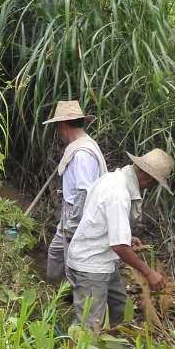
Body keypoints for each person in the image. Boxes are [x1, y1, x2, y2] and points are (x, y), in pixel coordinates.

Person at [65, 148, 175, 333]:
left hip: (101, 260)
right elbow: (119, 246)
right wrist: (149, 274)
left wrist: (126, 236)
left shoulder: (112, 178)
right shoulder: (118, 193)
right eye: (155, 183)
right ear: (148, 177)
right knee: (89, 327)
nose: (152, 187)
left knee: (121, 310)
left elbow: (98, 219)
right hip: (91, 266)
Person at [41, 100, 107, 281]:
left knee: (73, 261)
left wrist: (73, 225)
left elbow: (84, 193)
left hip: (78, 212)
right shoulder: (82, 146)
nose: (57, 131)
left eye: (57, 126)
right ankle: (54, 289)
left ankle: (73, 297)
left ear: (63, 125)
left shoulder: (82, 154)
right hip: (70, 210)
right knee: (56, 252)